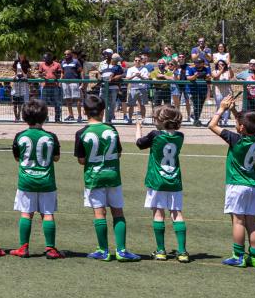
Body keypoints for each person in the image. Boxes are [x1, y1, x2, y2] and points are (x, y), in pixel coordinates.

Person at [75, 94, 137, 262]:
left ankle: (103, 250)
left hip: (94, 177)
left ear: (85, 112)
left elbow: (81, 160)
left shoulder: (81, 132)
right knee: (118, 212)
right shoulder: (111, 129)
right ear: (103, 111)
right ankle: (122, 250)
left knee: (99, 213)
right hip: (113, 175)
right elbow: (119, 153)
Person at [208, 100, 255, 268]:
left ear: (240, 128)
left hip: (237, 185)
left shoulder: (235, 139)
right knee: (251, 222)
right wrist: (234, 111)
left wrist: (222, 109)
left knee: (238, 221)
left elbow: (212, 125)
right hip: (252, 185)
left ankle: (238, 255)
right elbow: (244, 125)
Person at [136, 106, 190, 262]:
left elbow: (139, 143)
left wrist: (138, 127)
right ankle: (182, 252)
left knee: (158, 213)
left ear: (161, 120)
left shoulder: (155, 135)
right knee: (177, 213)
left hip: (157, 181)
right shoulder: (180, 136)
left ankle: (160, 250)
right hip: (174, 180)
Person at [9, 103, 62, 259]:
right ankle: (51, 248)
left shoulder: (20, 136)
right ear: (45, 117)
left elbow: (17, 157)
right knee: (48, 214)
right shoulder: (51, 137)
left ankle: (23, 247)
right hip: (47, 181)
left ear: (24, 118)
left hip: (26, 181)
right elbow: (56, 158)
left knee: (26, 214)